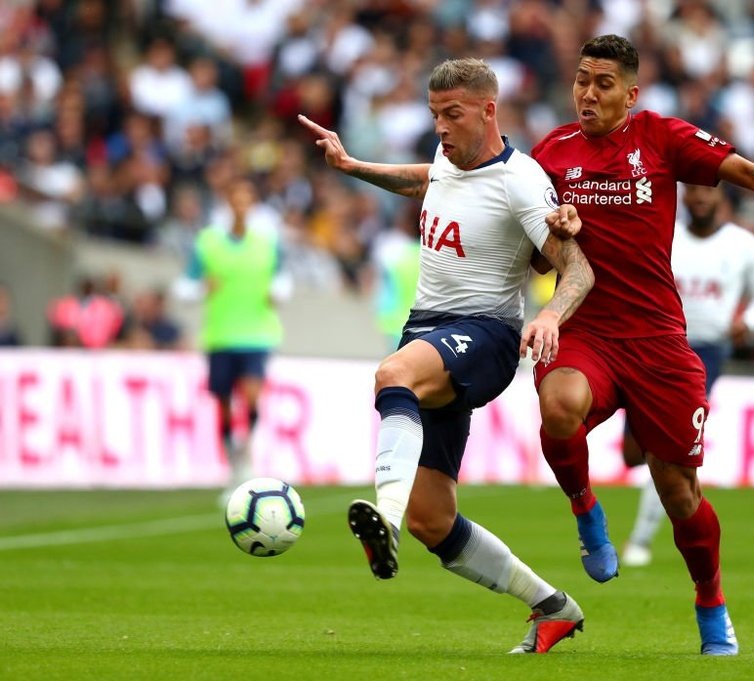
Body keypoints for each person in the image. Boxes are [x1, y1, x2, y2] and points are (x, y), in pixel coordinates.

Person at [529, 34, 754, 656]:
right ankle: (585, 510)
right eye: (580, 80)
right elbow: (518, 224)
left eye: (602, 84)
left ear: (631, 92)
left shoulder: (662, 136)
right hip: (587, 331)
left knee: (679, 493)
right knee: (557, 406)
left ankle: (711, 601)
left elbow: (743, 172)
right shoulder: (552, 152)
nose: (587, 94)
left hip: (658, 341)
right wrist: (550, 234)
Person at [298, 57, 595, 654]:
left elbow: (577, 268)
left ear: (489, 110)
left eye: (452, 114)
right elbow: (425, 180)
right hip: (428, 330)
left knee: (392, 376)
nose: (440, 126)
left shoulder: (521, 180)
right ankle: (553, 606)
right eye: (435, 114)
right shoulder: (448, 157)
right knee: (433, 520)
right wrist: (354, 166)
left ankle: (383, 511)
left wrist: (547, 314)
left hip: (485, 333)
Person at [620, 183, 754, 568]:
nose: (701, 199)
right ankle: (673, 483)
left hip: (703, 352)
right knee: (633, 453)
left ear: (722, 200)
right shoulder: (664, 233)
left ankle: (641, 539)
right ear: (684, 198)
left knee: (666, 450)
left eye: (708, 193)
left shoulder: (743, 246)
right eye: (693, 192)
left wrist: (750, 321)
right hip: (652, 345)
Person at [173, 177, 292, 499]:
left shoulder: (267, 242)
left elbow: (283, 278)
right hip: (221, 335)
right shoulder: (208, 242)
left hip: (257, 333)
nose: (241, 205)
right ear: (228, 203)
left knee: (252, 398)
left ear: (252, 204)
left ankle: (245, 457)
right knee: (224, 406)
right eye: (236, 199)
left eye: (246, 199)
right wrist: (200, 289)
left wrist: (277, 293)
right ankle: (232, 466)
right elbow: (183, 285)